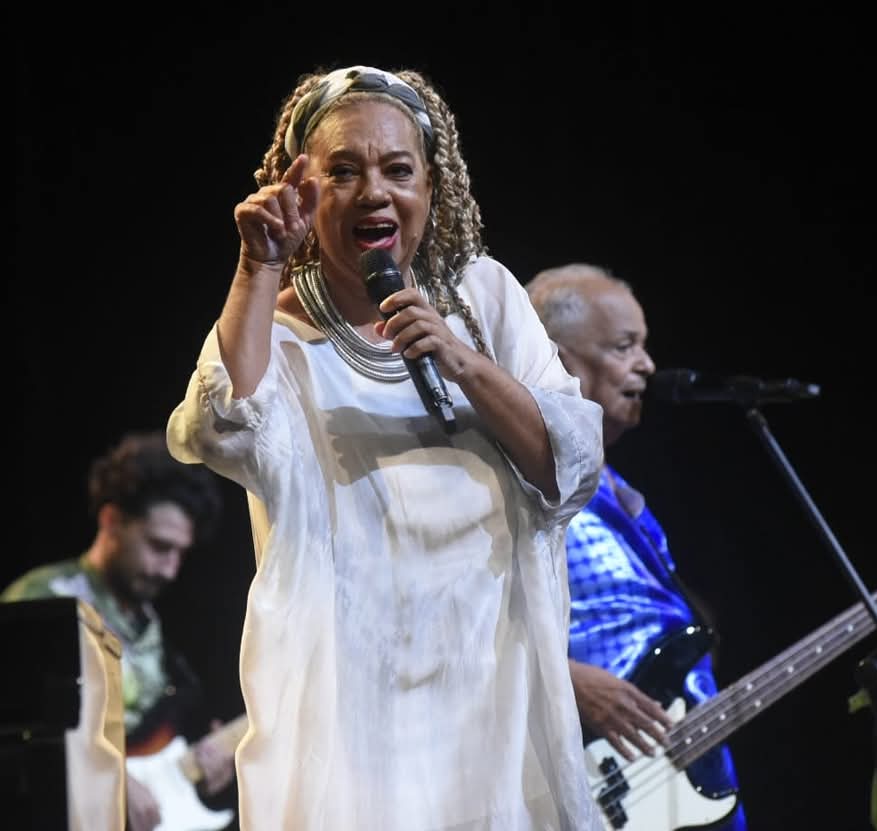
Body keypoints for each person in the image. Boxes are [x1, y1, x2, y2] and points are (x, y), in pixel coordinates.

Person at [165, 64, 604, 830]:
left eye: (398, 170)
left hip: (495, 705)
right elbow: (220, 426)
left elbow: (568, 465)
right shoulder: (279, 328)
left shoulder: (484, 299)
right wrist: (258, 267)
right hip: (354, 721)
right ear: (300, 190)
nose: (374, 192)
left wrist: (462, 361)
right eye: (343, 172)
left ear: (431, 185)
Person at [526, 263, 748, 830]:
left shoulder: (621, 491)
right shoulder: (514, 478)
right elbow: (449, 617)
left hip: (678, 783)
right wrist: (564, 681)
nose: (647, 364)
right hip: (577, 783)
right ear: (559, 359)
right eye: (625, 346)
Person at [1, 430, 235, 831]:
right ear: (111, 521)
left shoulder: (151, 627)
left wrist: (210, 760)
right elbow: (15, 738)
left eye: (181, 553)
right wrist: (112, 777)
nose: (170, 569)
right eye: (159, 546)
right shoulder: (45, 599)